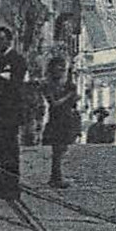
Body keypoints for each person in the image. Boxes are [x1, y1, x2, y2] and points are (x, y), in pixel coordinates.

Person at [0, 27, 26, 201]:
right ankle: (2, 186)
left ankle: (12, 187)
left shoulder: (16, 59)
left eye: (1, 39)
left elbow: (14, 83)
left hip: (9, 113)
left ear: (9, 40)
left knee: (10, 150)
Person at [41, 57, 80, 188]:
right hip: (56, 120)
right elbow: (54, 103)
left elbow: (71, 102)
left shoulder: (64, 85)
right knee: (57, 149)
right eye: (59, 68)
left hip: (66, 119)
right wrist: (69, 95)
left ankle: (56, 176)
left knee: (61, 149)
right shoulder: (48, 85)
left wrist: (73, 96)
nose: (62, 71)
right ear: (52, 69)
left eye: (63, 69)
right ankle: (55, 178)